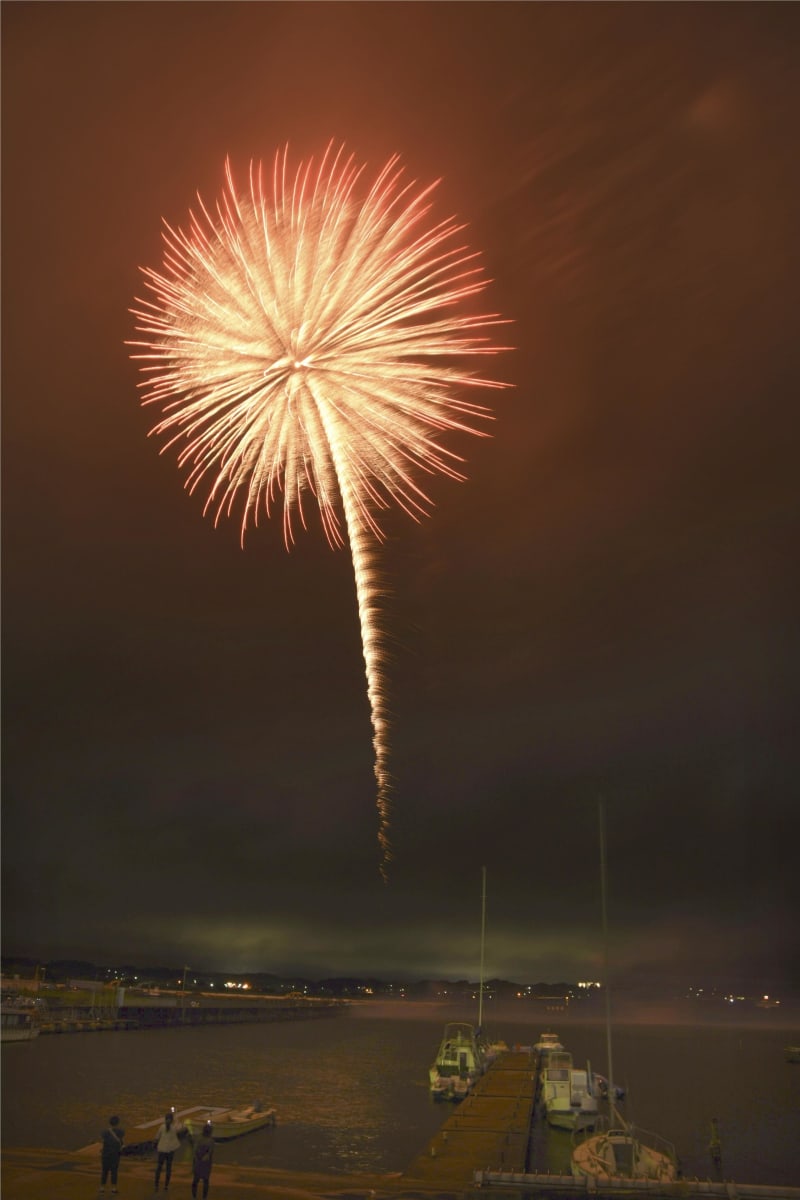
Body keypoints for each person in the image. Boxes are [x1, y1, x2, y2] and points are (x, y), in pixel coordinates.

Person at [154, 1109, 183, 1192]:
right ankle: (166, 1186)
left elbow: (156, 1137)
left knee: (159, 1167)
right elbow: (176, 1139)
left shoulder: (162, 1127)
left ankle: (156, 1185)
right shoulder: (173, 1129)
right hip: (170, 1151)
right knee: (168, 1168)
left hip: (161, 1150)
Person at [99, 1114, 124, 1195]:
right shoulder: (121, 1132)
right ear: (118, 1122)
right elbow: (121, 1142)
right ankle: (113, 1188)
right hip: (115, 1154)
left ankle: (102, 1188)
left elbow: (103, 1142)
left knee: (104, 1171)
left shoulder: (105, 1132)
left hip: (106, 1154)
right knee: (114, 1171)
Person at [190, 1122, 215, 1199]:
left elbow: (195, 1150)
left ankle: (194, 1197)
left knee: (196, 1180)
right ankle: (203, 1197)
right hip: (204, 1162)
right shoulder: (210, 1140)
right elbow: (210, 1152)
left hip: (199, 1160)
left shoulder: (199, 1138)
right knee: (205, 1180)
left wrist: (195, 1159)